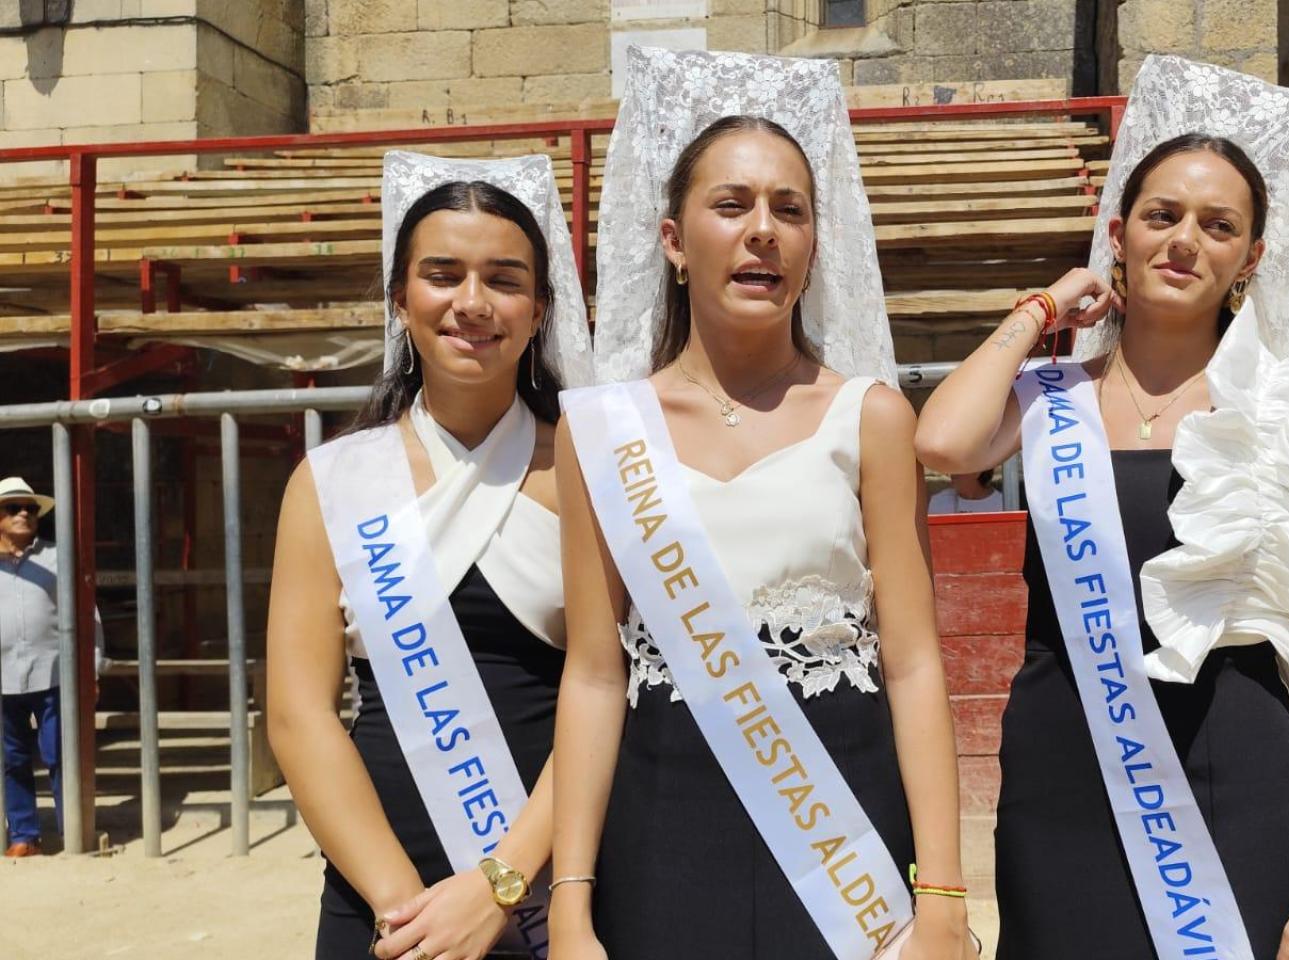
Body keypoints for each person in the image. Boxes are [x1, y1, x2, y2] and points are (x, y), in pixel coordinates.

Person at [916, 55, 1289, 960]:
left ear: (1251, 256)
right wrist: (1043, 307)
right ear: (1119, 233)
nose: (1185, 242)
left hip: (1232, 775)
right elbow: (942, 443)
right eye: (1162, 216)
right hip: (1062, 778)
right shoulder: (1048, 396)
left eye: (1219, 226)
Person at [549, 49, 973, 960]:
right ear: (672, 239)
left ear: (818, 242)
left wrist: (941, 896)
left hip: (844, 824)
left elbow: (912, 663)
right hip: (659, 823)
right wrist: (569, 903)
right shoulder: (597, 430)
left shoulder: (874, 416)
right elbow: (592, 673)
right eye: (731, 205)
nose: (763, 232)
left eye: (790, 210)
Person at [266, 152, 592, 960]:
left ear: (541, 308)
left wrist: (496, 888)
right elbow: (298, 715)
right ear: (400, 298)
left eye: (505, 279)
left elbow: (610, 686)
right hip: (381, 895)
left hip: (558, 883)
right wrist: (404, 909)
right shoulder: (333, 481)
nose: (472, 303)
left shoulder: (592, 470)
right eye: (442, 275)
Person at [0, 476, 105, 859]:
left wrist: (92, 668)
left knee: (61, 754)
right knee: (10, 759)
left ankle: (73, 830)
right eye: (13, 508)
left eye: (30, 508)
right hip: (2, 677)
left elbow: (85, 614)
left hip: (53, 672)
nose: (24, 513)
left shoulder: (57, 559)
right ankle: (24, 834)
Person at [927, 470, 1004, 514]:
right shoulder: (938, 501)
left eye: (959, 467)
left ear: (977, 471)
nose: (952, 474)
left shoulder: (1002, 505)